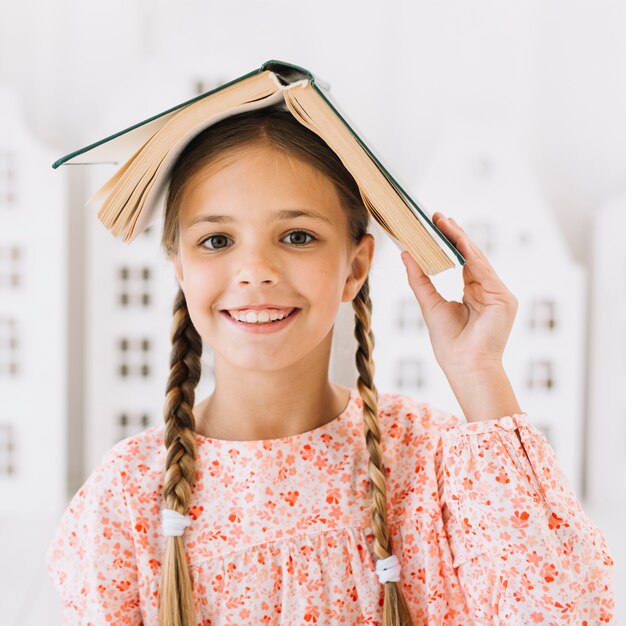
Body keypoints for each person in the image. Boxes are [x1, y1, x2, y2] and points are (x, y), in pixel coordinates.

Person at [45, 106, 616, 626]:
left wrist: (479, 373)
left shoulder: (428, 462)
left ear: (356, 267)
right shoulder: (127, 495)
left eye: (297, 236)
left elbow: (570, 610)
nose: (254, 270)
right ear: (179, 269)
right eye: (216, 240)